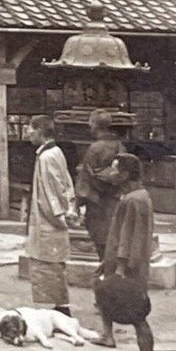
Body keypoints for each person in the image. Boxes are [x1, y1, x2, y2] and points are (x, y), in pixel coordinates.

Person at [93, 153, 158, 351]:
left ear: (126, 174)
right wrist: (108, 262)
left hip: (129, 267)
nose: (113, 175)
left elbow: (129, 236)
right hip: (119, 262)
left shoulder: (134, 200)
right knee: (102, 293)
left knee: (138, 315)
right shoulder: (135, 197)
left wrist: (119, 267)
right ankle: (107, 334)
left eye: (116, 170)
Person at [23, 115, 79, 316]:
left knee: (49, 265)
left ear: (39, 130)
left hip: (49, 220)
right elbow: (65, 184)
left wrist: (61, 215)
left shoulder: (47, 157)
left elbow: (52, 191)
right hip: (49, 218)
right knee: (51, 265)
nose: (28, 133)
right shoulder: (55, 152)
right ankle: (57, 307)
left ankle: (58, 309)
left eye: (30, 129)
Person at [74, 109, 123, 262]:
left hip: (98, 201)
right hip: (116, 199)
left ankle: (106, 275)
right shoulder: (119, 146)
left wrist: (78, 201)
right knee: (115, 238)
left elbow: (87, 177)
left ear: (94, 125)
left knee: (101, 239)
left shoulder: (94, 148)